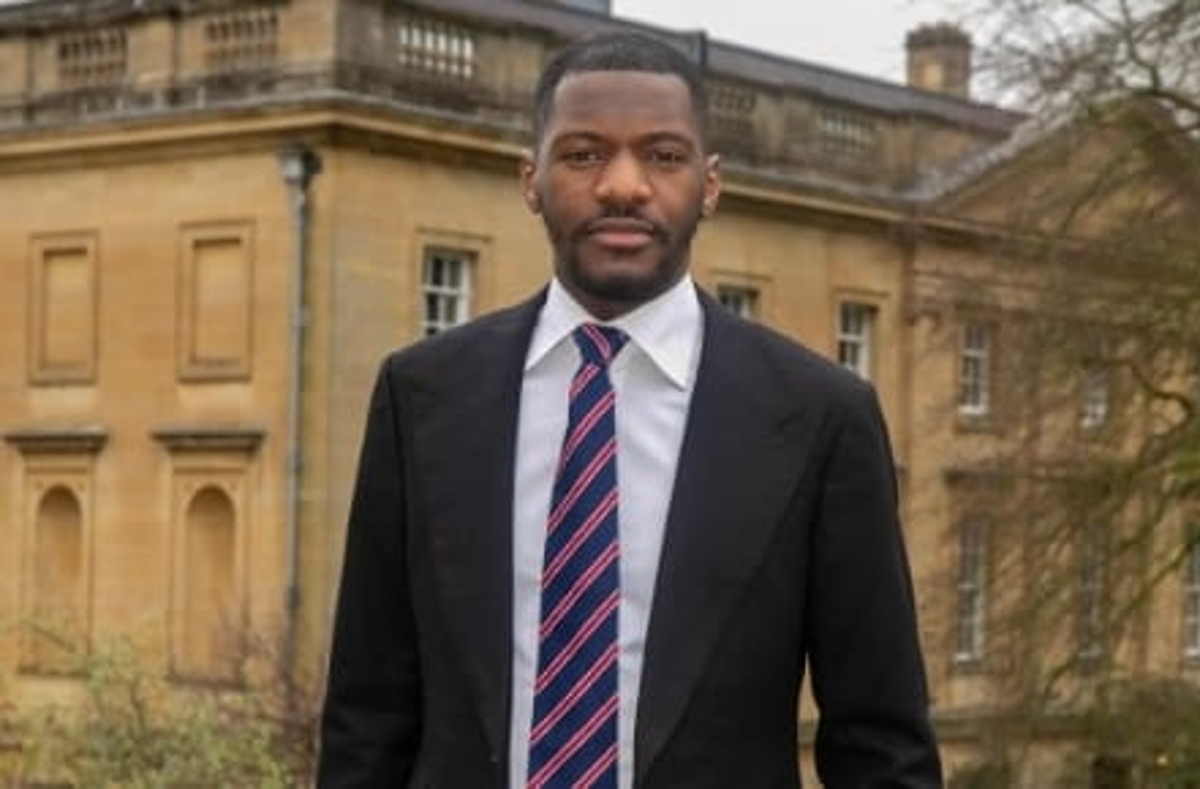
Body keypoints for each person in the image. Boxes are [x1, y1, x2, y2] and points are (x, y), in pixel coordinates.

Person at [317, 30, 943, 789]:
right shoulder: (421, 396)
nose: (622, 185)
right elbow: (367, 718)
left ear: (710, 184)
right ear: (531, 179)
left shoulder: (821, 416)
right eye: (583, 154)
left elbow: (881, 746)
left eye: (663, 156)